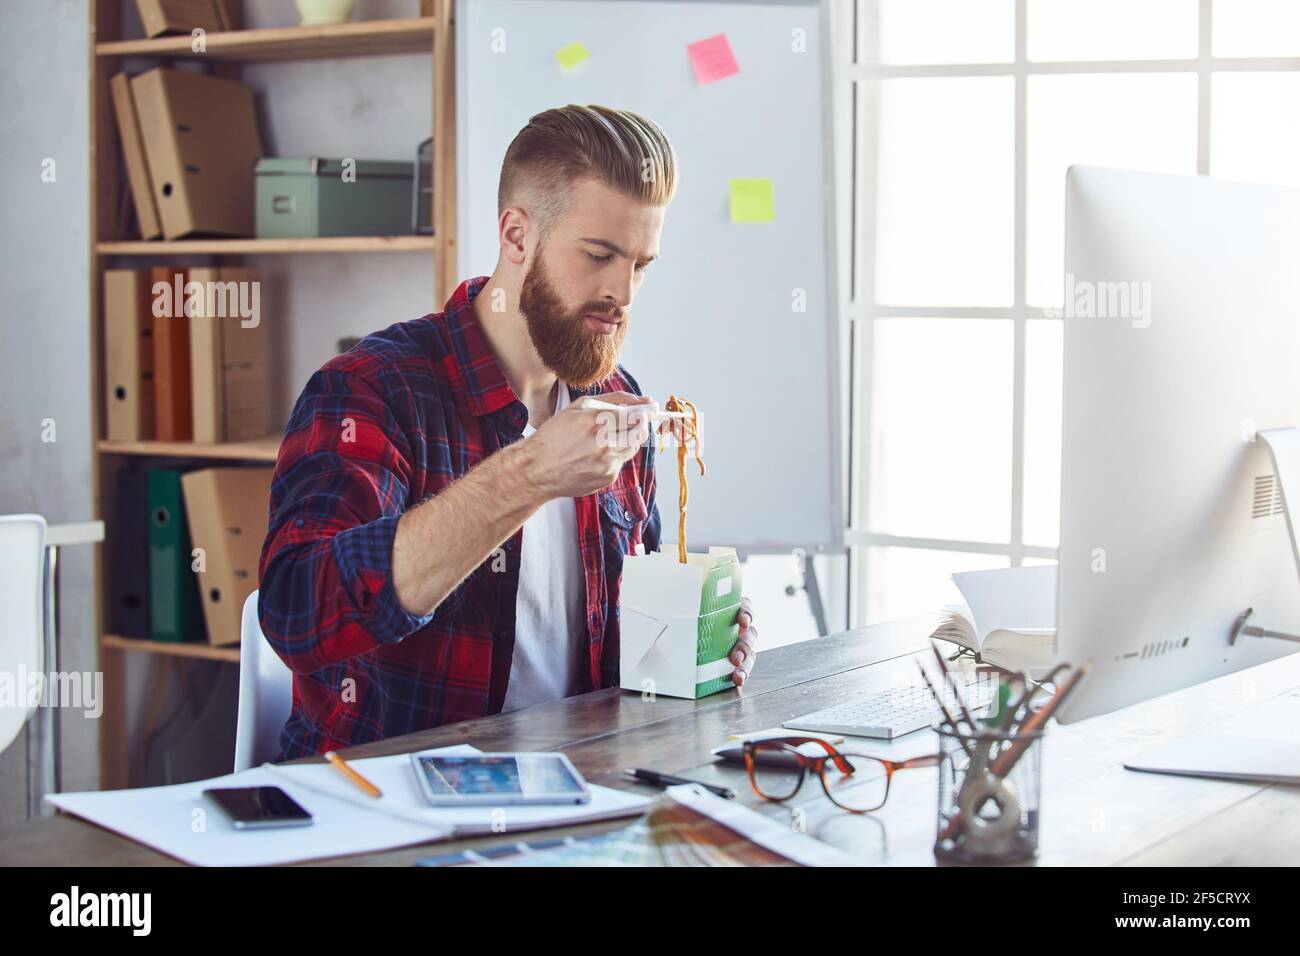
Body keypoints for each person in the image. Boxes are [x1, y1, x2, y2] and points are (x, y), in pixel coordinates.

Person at [258, 105, 758, 759]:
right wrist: (528, 474)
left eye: (640, 265)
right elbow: (298, 613)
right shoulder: (371, 390)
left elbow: (626, 633)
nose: (623, 292)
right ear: (517, 236)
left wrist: (696, 638)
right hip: (387, 810)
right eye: (599, 255)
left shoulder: (615, 398)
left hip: (580, 793)